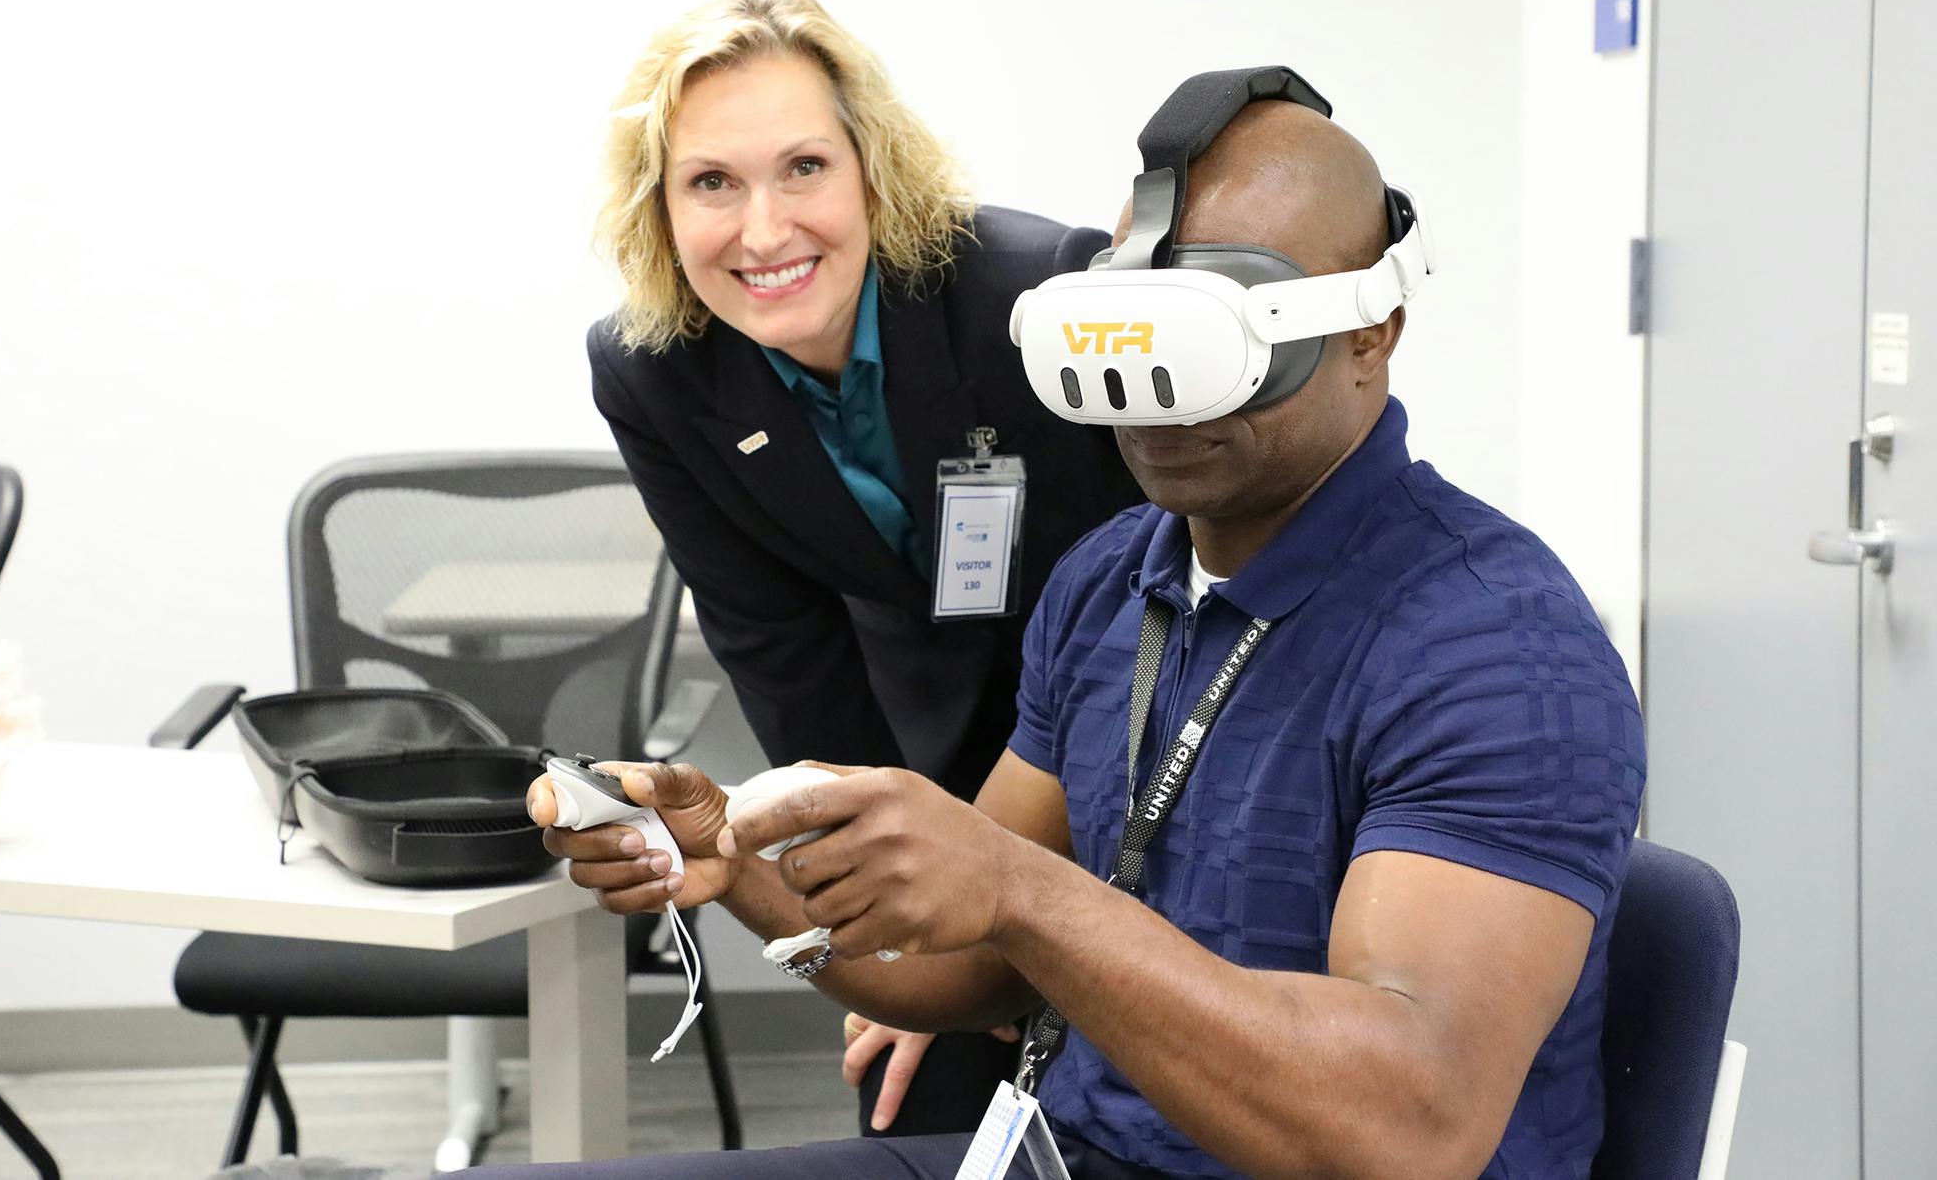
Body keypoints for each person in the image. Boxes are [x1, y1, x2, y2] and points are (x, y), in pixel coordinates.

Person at [494, 85, 1646, 1179]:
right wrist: (735, 863)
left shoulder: (1492, 645)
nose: (1163, 394)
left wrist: (1019, 887)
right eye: (1131, 332)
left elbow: (1409, 1127)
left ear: (1369, 331)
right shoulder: (1109, 581)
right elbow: (954, 962)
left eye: (1216, 340)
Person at [586, 0, 1144, 1134]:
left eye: (802, 168)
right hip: (929, 765)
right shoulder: (656, 369)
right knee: (916, 1097)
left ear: (870, 167)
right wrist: (902, 932)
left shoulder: (1038, 296)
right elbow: (785, 662)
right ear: (658, 207)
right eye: (711, 183)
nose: (764, 230)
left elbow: (1149, 627)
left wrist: (1015, 908)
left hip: (1142, 778)